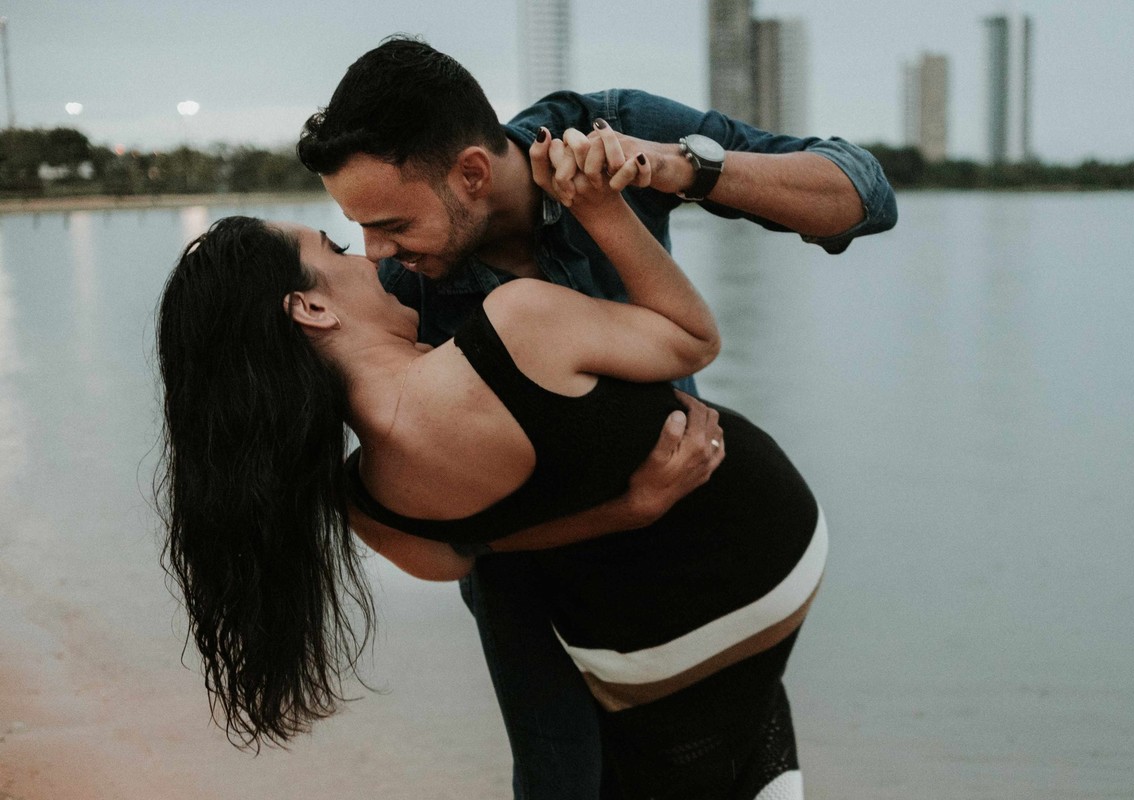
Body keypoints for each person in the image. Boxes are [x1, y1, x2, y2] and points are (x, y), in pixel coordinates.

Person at [293, 35, 897, 800]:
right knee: (563, 782)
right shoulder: (397, 297)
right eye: (361, 230)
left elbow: (864, 194)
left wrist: (679, 167)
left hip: (695, 549)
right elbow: (426, 532)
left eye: (393, 224)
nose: (377, 251)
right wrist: (617, 509)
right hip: (533, 588)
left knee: (736, 763)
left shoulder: (609, 130)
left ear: (472, 173)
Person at [157, 132, 827, 798]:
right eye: (334, 249)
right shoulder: (514, 324)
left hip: (641, 655)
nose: (369, 257)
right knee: (738, 738)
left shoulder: (366, 501)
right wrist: (596, 206)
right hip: (739, 566)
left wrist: (624, 511)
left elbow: (469, 550)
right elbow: (696, 337)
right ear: (310, 307)